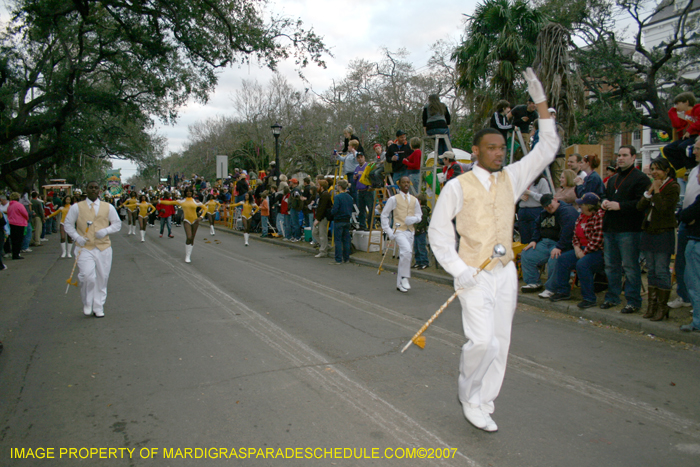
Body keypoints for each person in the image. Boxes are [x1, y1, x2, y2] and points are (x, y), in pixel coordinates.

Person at [429, 68, 558, 432]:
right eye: (491, 147)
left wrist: (542, 104)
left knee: (500, 343)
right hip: (473, 274)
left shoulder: (513, 178)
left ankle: (484, 401)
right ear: (476, 151)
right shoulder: (458, 185)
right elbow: (438, 232)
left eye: (502, 148)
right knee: (481, 341)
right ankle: (468, 395)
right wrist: (458, 269)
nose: (499, 153)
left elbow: (548, 148)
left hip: (505, 273)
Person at [600, 145, 651, 313]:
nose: (620, 158)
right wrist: (605, 202)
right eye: (619, 155)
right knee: (611, 266)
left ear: (633, 157)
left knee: (630, 266)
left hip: (629, 230)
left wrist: (620, 206)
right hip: (610, 228)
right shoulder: (613, 179)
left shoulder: (641, 178)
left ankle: (633, 300)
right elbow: (605, 195)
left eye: (624, 155)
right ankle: (612, 297)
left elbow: (641, 204)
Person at [63, 181, 122, 318]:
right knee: (87, 276)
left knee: (102, 277)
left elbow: (117, 224)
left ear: (99, 190)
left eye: (96, 188)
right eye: (91, 187)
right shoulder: (76, 207)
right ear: (86, 189)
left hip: (103, 247)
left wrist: (106, 230)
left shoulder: (108, 207)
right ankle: (87, 302)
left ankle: (98, 305)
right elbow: (68, 225)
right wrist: (77, 237)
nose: (93, 190)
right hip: (84, 247)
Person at [636, 157, 680, 321]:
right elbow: (640, 206)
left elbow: (663, 208)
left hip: (663, 232)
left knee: (662, 271)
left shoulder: (673, 187)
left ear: (666, 171)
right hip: (649, 231)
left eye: (658, 169)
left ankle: (662, 307)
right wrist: (649, 193)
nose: (654, 172)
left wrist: (657, 191)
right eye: (652, 169)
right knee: (651, 270)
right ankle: (651, 305)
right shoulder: (652, 185)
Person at [549, 193, 606, 308]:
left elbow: (597, 240)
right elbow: (575, 235)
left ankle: (589, 298)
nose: (579, 206)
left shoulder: (599, 217)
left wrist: (584, 252)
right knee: (562, 260)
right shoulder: (581, 216)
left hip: (597, 252)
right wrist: (576, 248)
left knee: (583, 265)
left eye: (582, 204)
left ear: (589, 206)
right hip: (580, 249)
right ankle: (563, 291)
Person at [519, 194, 578, 295]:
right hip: (544, 242)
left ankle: (552, 288)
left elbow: (568, 232)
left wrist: (559, 247)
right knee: (526, 254)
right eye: (545, 206)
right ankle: (533, 282)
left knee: (554, 258)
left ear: (555, 200)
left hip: (560, 243)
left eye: (549, 204)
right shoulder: (543, 213)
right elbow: (536, 226)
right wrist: (534, 240)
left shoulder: (567, 211)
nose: (548, 207)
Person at [669, 138, 700, 310]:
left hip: (695, 222)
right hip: (686, 221)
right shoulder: (695, 169)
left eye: (697, 148)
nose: (693, 152)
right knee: (681, 262)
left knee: (695, 266)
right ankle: (684, 296)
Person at [381, 176, 422, 293]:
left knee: (405, 255)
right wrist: (388, 231)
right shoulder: (393, 199)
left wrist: (414, 219)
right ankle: (404, 277)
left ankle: (399, 283)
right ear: (399, 184)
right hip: (398, 230)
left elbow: (419, 216)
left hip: (410, 231)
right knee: (407, 251)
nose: (406, 184)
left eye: (408, 182)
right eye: (404, 182)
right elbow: (384, 215)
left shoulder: (414, 200)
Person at [158, 187, 206, 263]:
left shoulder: (196, 202)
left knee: (192, 238)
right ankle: (187, 256)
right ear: (185, 192)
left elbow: (205, 208)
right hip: (186, 220)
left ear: (192, 193)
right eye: (187, 191)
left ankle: (189, 255)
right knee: (189, 237)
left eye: (190, 191)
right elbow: (170, 203)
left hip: (195, 221)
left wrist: (201, 217)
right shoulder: (182, 201)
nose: (189, 192)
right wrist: (160, 201)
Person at [662, 92, 700, 175]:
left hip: (697, 136)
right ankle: (681, 168)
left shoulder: (697, 109)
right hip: (689, 137)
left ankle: (691, 167)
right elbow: (677, 125)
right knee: (668, 149)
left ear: (686, 102)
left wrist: (690, 130)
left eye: (677, 104)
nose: (676, 106)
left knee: (683, 147)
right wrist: (671, 112)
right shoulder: (684, 114)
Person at [517, 172, 550, 244]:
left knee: (534, 236)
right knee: (524, 238)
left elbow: (546, 198)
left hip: (535, 211)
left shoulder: (542, 181)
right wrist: (520, 197)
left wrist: (531, 193)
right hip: (522, 211)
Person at [330, 179, 354, 264]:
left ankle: (338, 259)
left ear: (339, 186)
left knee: (338, 240)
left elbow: (335, 209)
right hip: (347, 220)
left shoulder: (337, 197)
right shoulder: (350, 197)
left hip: (339, 220)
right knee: (346, 240)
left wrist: (332, 213)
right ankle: (346, 258)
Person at [312, 180, 332, 258]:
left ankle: (323, 250)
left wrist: (318, 219)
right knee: (315, 232)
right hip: (321, 217)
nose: (316, 187)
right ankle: (325, 246)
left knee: (322, 234)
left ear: (322, 187)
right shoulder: (322, 194)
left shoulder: (325, 195)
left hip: (323, 217)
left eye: (317, 185)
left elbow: (322, 208)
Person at [7, 192, 29, 260]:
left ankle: (14, 253)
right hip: (19, 223)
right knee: (19, 239)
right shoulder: (19, 205)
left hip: (11, 223)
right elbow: (25, 214)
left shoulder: (9, 205)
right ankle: (17, 254)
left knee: (14, 240)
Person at [353, 153, 372, 231]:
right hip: (360, 191)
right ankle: (362, 225)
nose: (360, 159)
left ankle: (371, 225)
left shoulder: (368, 166)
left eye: (361, 157)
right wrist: (354, 178)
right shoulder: (357, 168)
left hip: (367, 190)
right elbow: (354, 181)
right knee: (361, 209)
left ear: (364, 158)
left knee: (370, 209)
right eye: (358, 158)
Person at [412, 193, 431, 270]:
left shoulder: (423, 210)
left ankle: (424, 262)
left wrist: (419, 228)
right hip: (416, 230)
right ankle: (418, 261)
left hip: (421, 231)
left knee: (421, 246)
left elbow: (423, 221)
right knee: (416, 247)